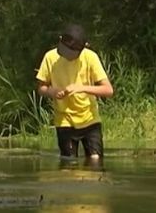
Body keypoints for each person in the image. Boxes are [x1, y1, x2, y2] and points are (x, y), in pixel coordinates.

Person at [35, 24, 113, 160]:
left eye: (73, 54)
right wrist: (52, 92)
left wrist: (81, 88)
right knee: (69, 163)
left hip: (90, 120)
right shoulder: (50, 57)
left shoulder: (90, 57)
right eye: (65, 52)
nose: (69, 57)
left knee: (95, 160)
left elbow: (108, 90)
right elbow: (41, 88)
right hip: (64, 121)